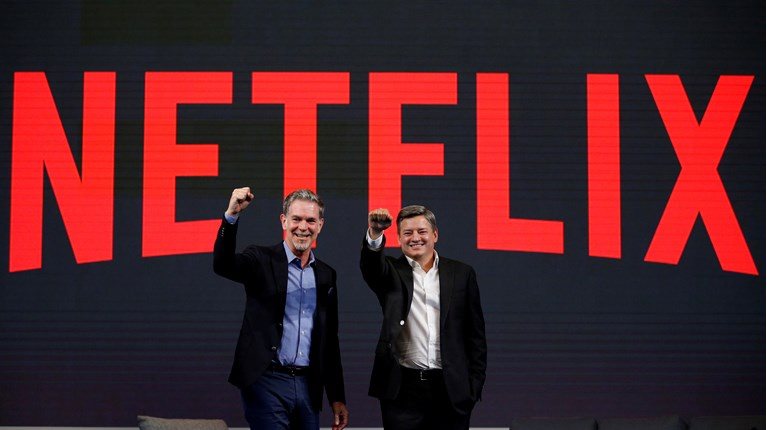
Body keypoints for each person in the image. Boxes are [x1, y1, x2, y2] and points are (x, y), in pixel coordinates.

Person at [213, 187, 349, 430]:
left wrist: (337, 396)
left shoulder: (326, 275)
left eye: (310, 220)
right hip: (267, 380)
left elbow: (329, 340)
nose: (303, 227)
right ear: (284, 221)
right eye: (296, 219)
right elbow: (223, 265)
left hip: (309, 385)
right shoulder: (260, 259)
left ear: (320, 225)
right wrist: (231, 216)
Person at [360, 205, 487, 430]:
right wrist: (375, 233)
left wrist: (473, 387)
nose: (415, 238)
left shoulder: (461, 273)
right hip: (402, 392)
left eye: (422, 231)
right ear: (398, 238)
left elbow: (475, 335)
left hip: (450, 390)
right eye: (407, 233)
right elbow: (371, 266)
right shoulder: (390, 271)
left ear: (435, 235)